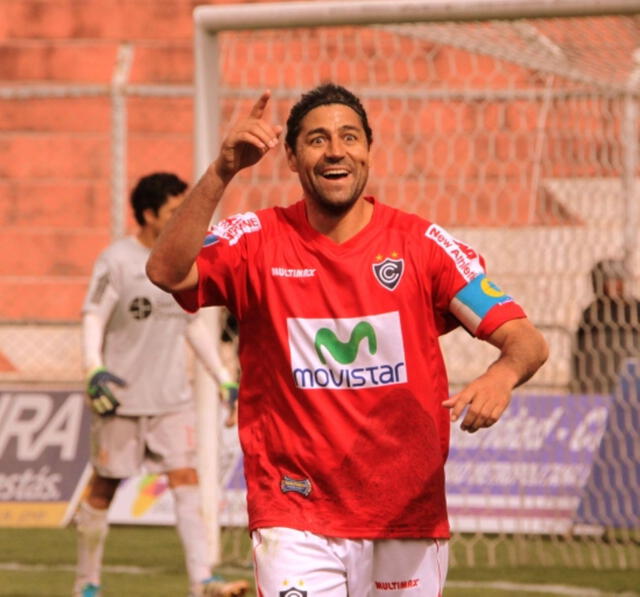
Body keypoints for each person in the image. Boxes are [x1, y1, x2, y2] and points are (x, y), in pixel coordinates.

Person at [146, 84, 549, 597]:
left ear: (368, 153)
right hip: (294, 511)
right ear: (291, 157)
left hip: (405, 512)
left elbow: (526, 339)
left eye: (349, 137)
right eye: (316, 140)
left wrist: (501, 375)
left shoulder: (423, 247)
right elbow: (165, 271)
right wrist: (222, 170)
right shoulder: (254, 240)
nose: (335, 150)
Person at [74, 172, 248, 597]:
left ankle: (201, 579)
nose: (181, 217)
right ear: (150, 214)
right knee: (103, 487)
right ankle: (87, 583)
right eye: (173, 211)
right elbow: (93, 315)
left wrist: (224, 379)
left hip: (172, 399)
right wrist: (93, 368)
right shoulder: (116, 260)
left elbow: (192, 327)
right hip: (121, 397)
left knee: (186, 479)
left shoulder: (180, 260)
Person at [570, 258, 640, 394]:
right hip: (599, 379)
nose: (614, 285)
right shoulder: (592, 312)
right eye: (609, 280)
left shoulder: (635, 309)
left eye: (617, 280)